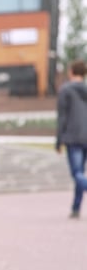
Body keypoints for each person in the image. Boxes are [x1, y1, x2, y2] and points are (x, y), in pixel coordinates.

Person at [55, 59, 87, 219]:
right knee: (80, 173)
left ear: (71, 72)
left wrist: (58, 140)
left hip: (73, 137)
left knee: (77, 174)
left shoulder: (66, 90)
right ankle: (76, 207)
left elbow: (62, 117)